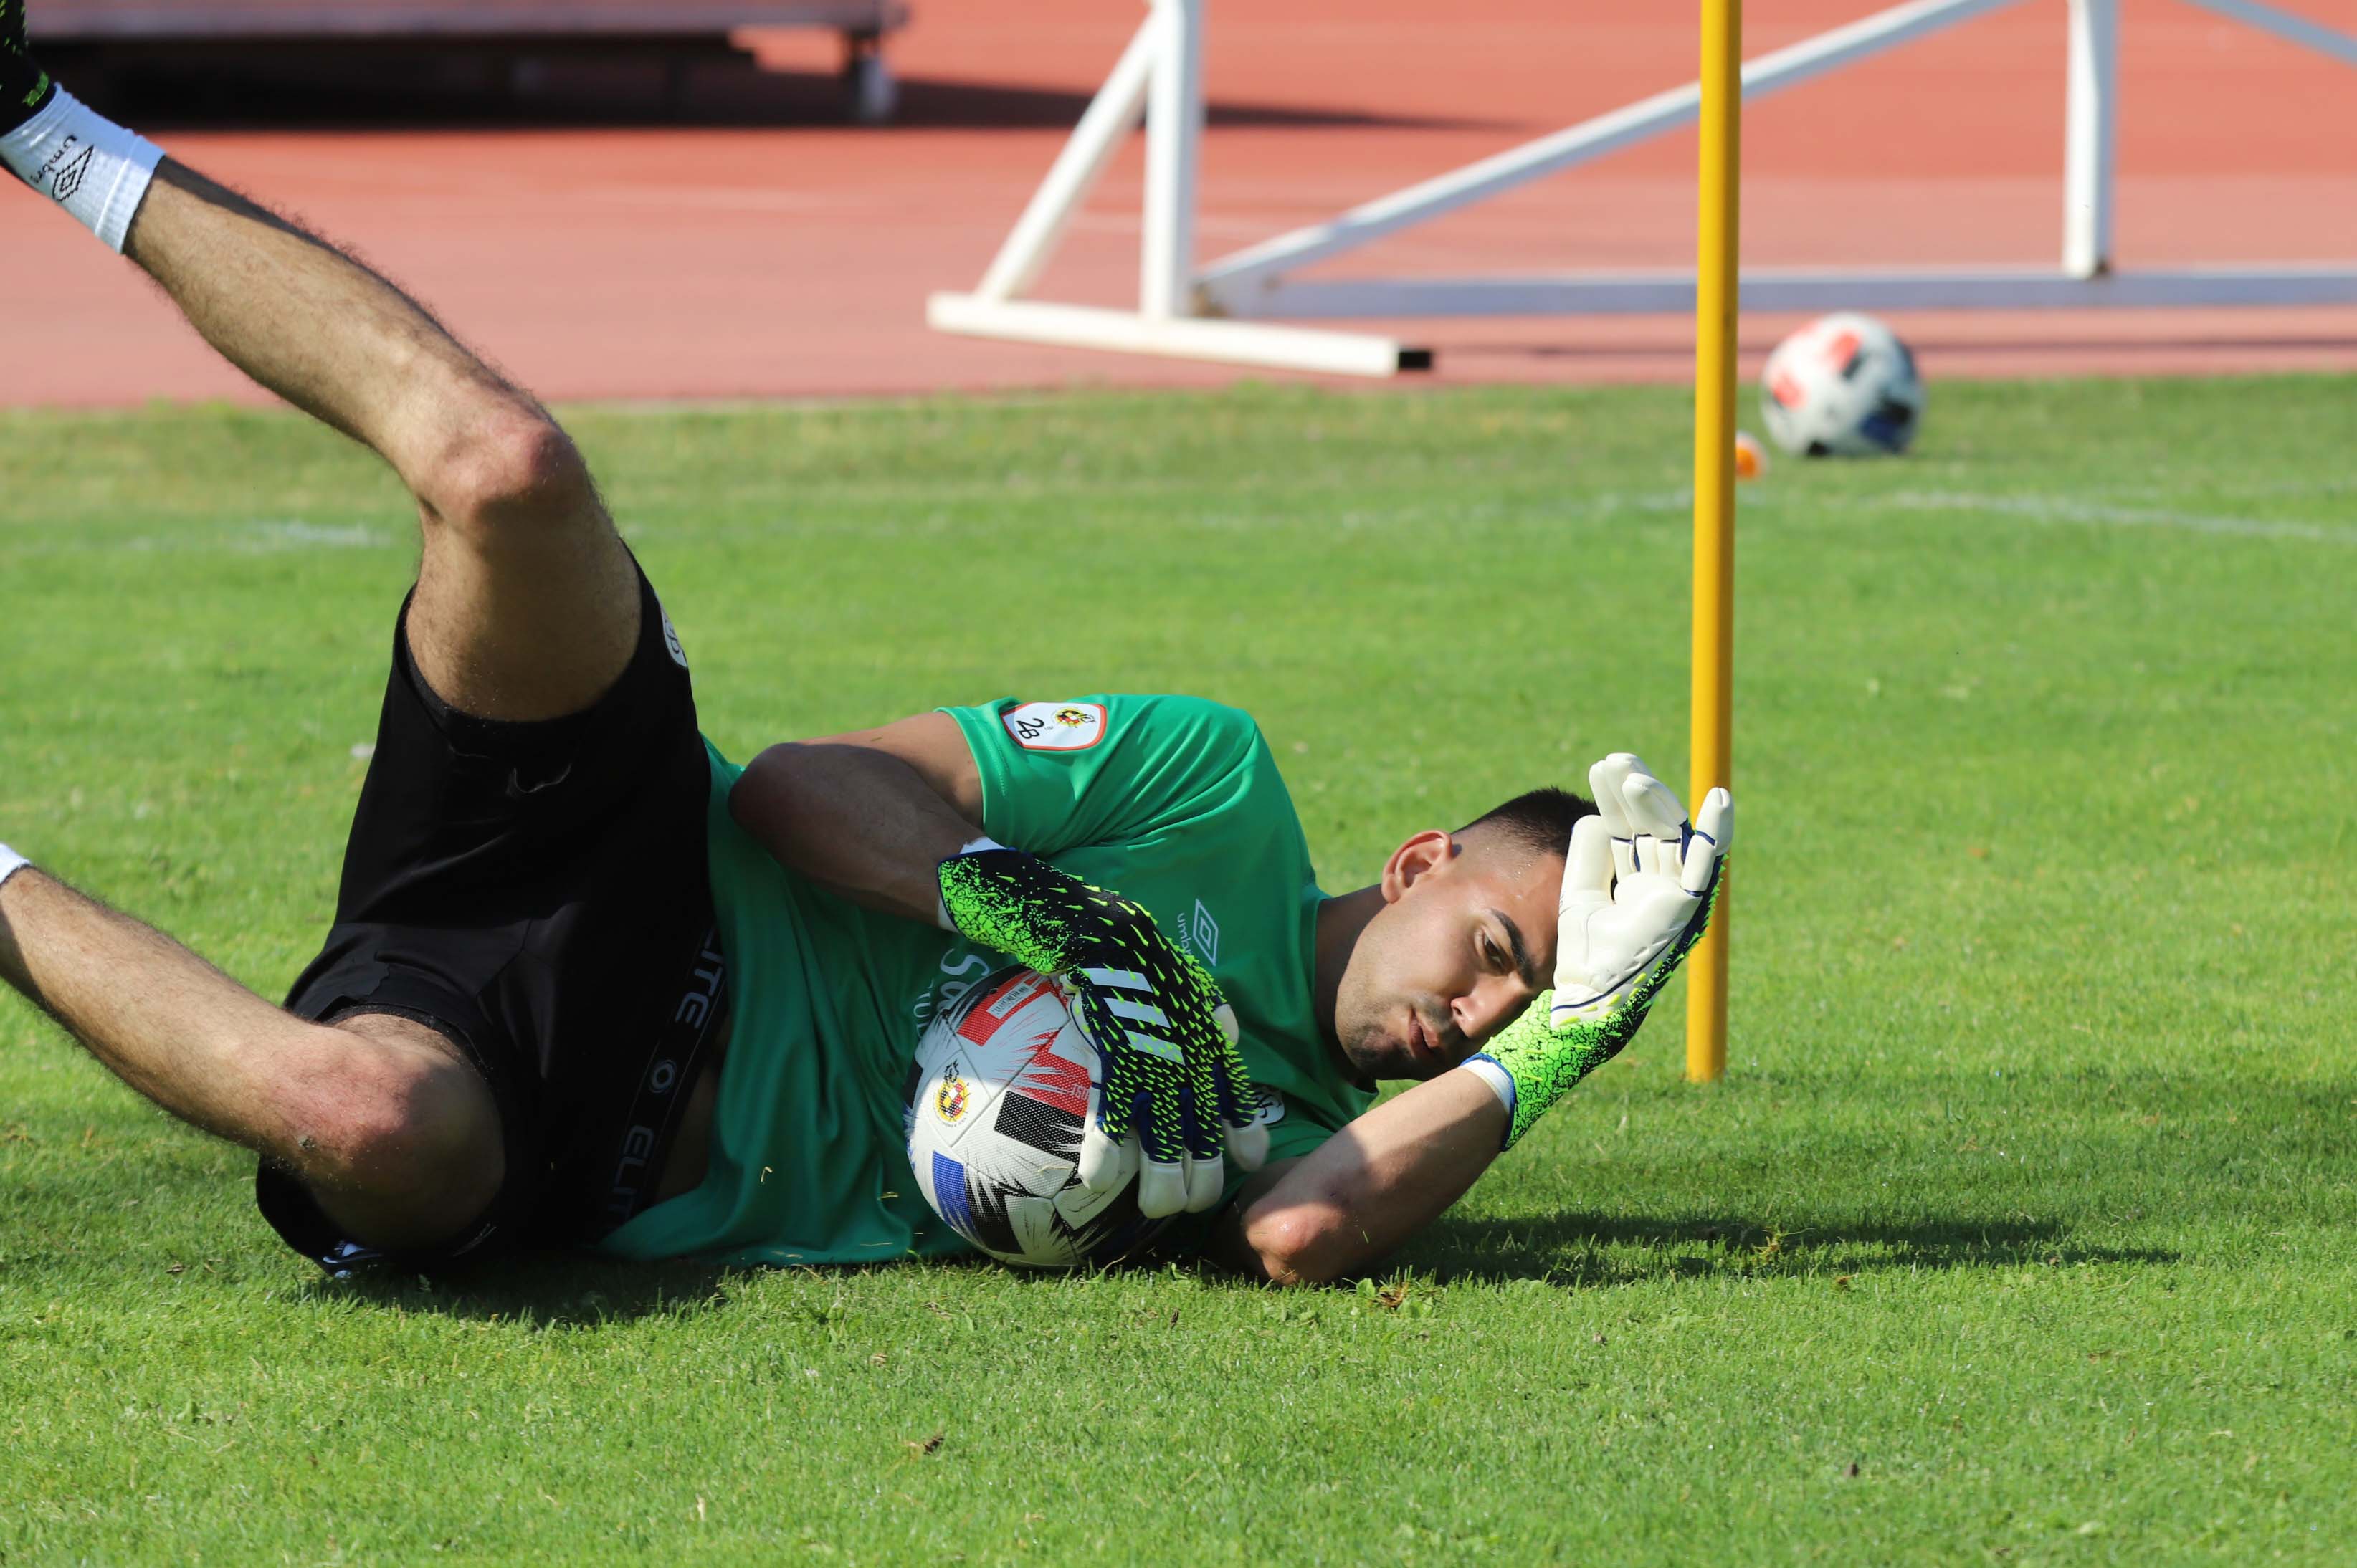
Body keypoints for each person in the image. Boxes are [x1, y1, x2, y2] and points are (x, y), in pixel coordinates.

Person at [0, 20, 1729, 1286]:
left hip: (576, 1127)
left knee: (363, 1119)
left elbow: (1295, 1229)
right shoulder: (1215, 774)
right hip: (640, 846)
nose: (1477, 1006)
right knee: (507, 471)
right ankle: (35, 113)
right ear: (1419, 860)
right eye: (1498, 944)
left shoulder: (1297, 1117)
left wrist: (1583, 1028)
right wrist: (1051, 911)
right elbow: (809, 792)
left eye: (1527, 997)